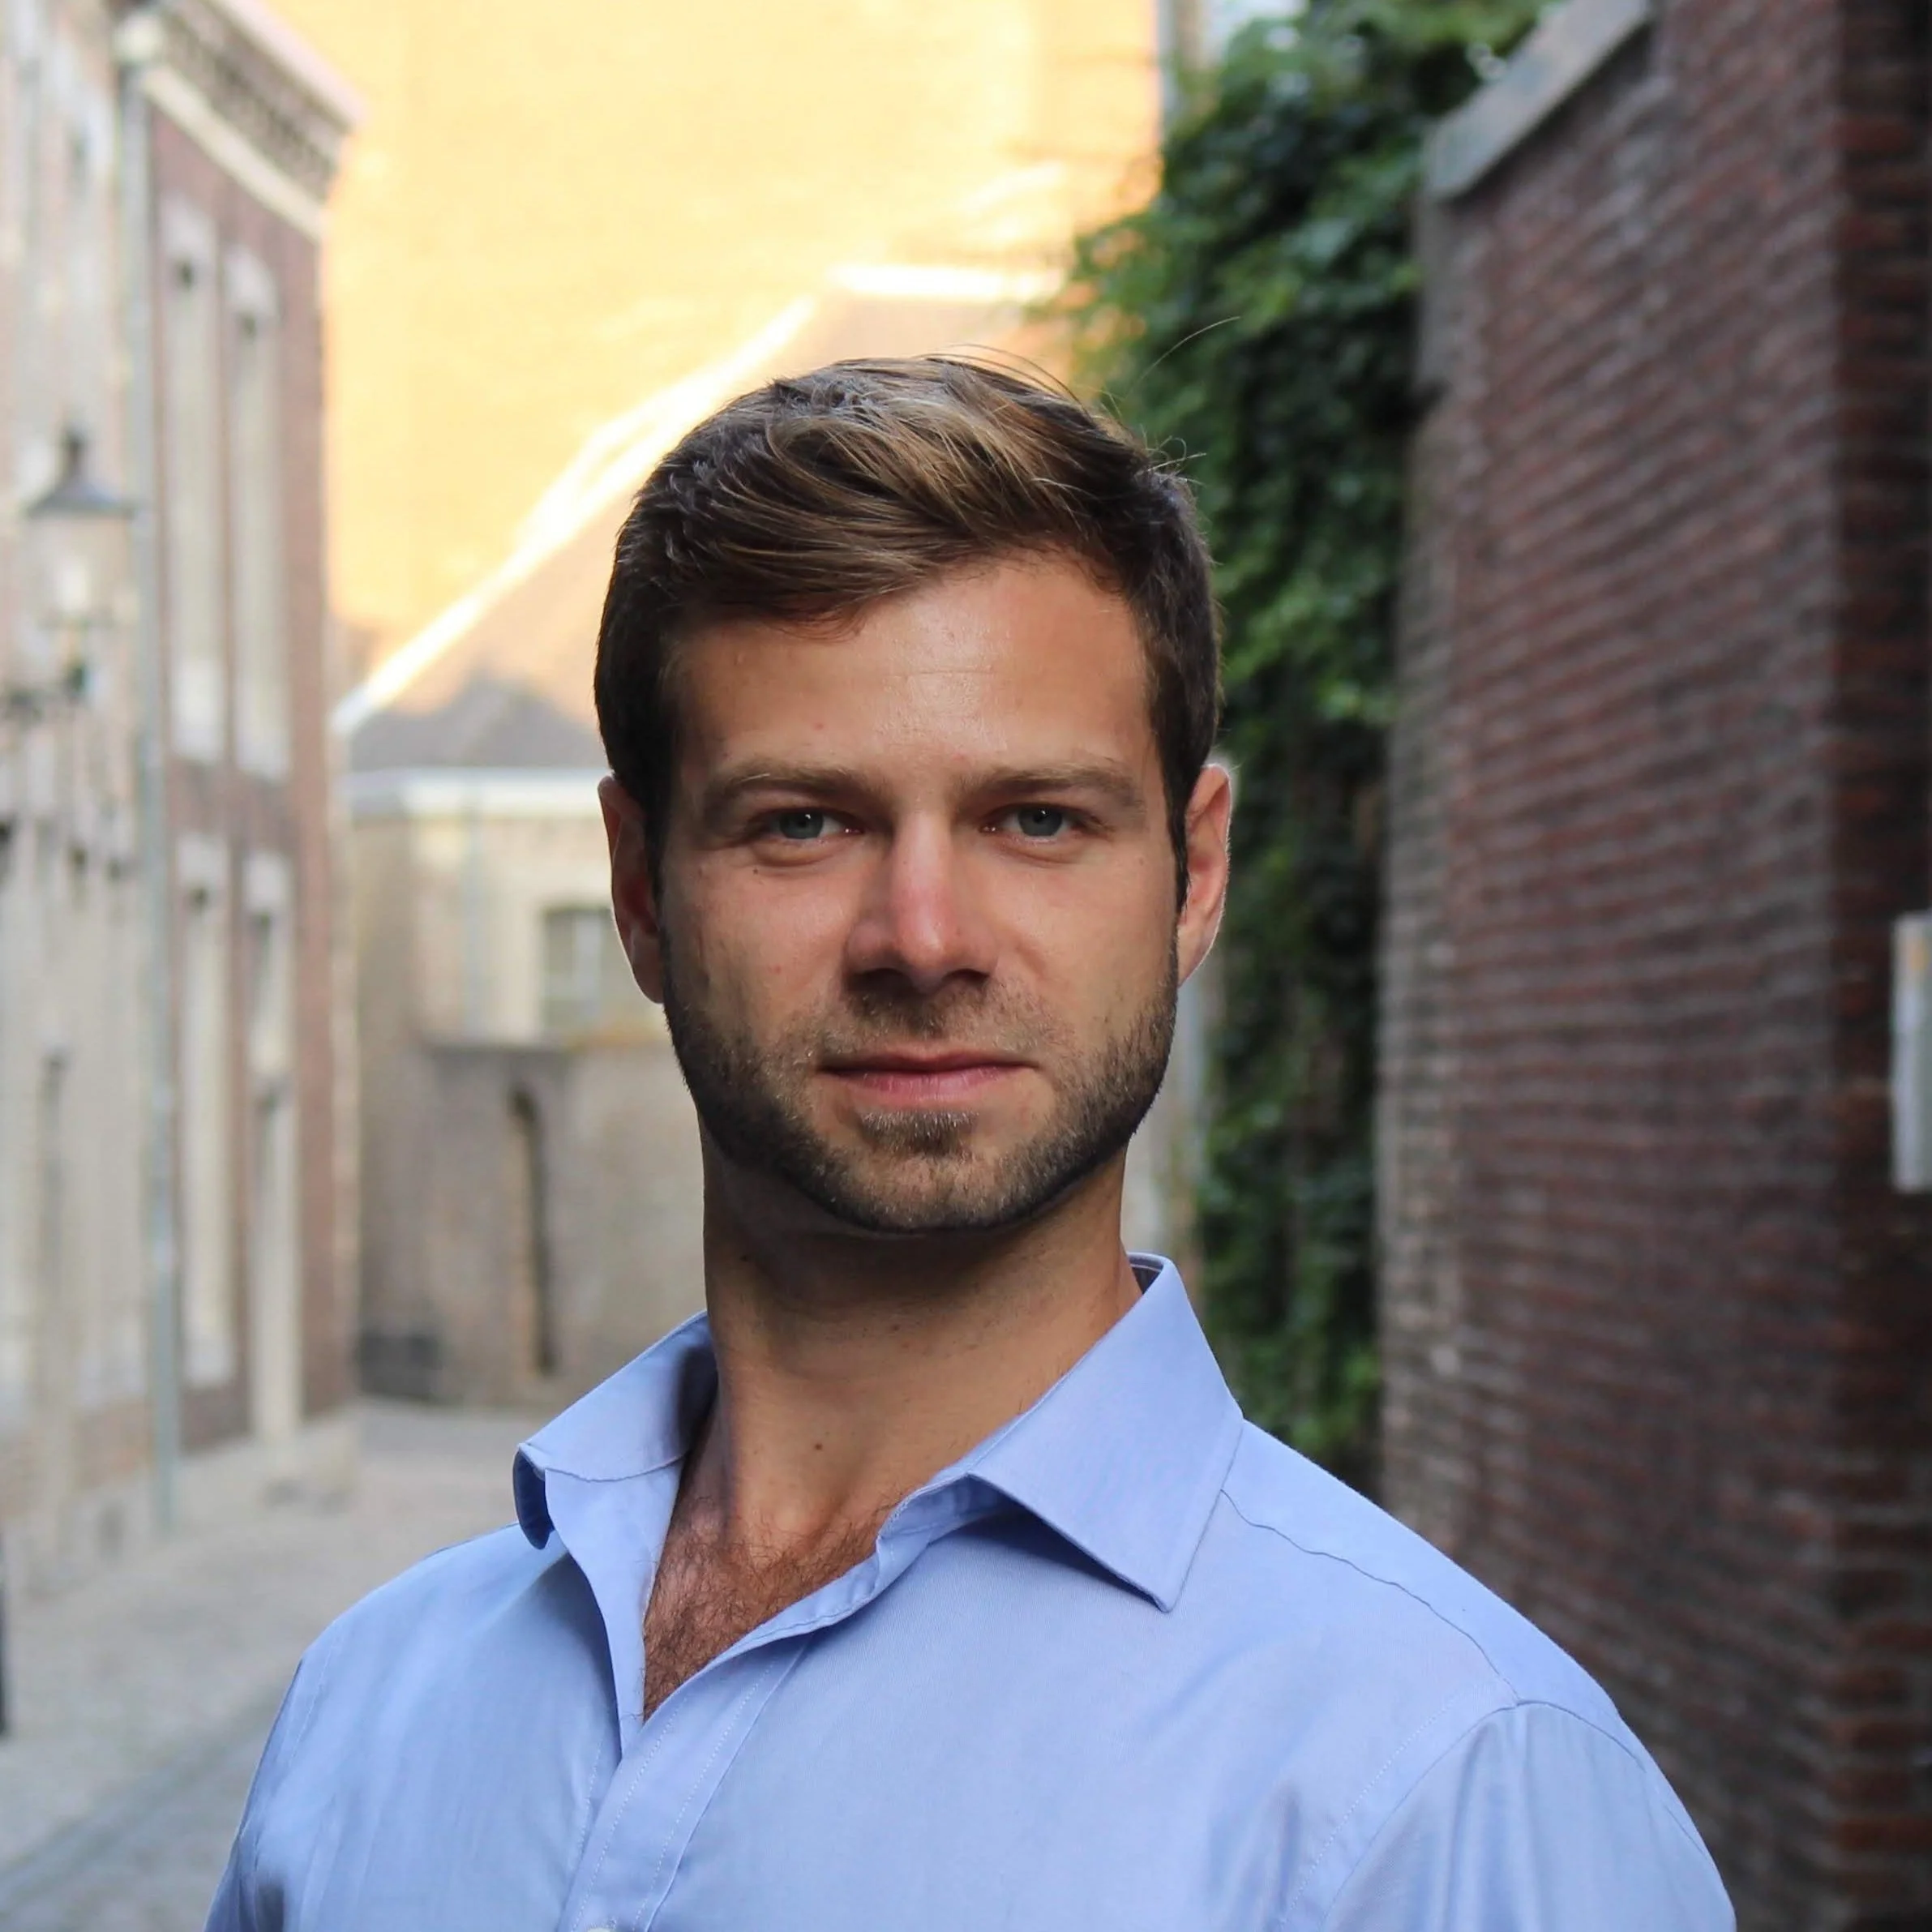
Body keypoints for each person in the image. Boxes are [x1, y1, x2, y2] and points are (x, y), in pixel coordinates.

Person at [206, 358, 1733, 1931]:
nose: (923, 939)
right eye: (803, 822)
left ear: (1195, 876)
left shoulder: (1446, 1790)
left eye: (1037, 820)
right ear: (643, 890)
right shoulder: (364, 1717)